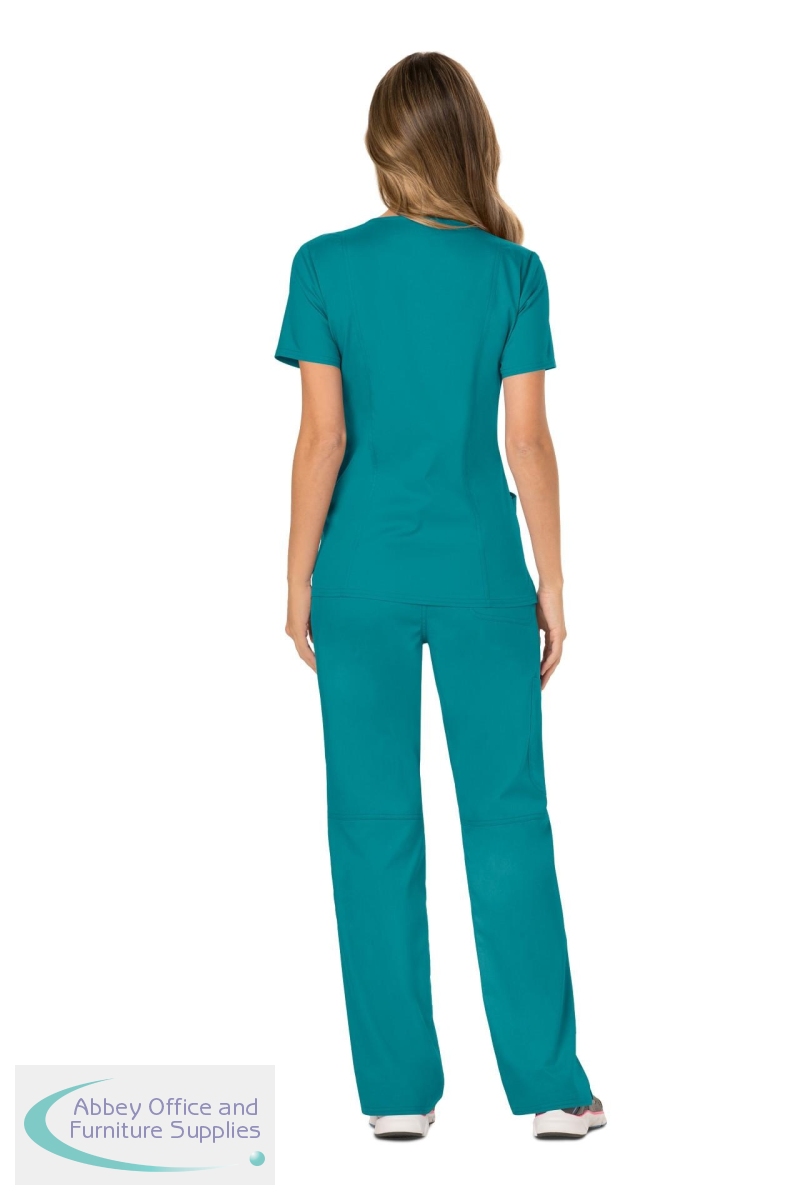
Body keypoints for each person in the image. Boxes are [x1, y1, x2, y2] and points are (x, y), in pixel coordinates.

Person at [275, 51, 605, 1142]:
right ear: (472, 143)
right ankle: (550, 1089)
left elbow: (322, 440)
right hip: (481, 580)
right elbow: (528, 444)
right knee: (507, 819)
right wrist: (553, 582)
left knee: (370, 825)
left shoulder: (324, 265)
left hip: (358, 580)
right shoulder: (514, 273)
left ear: (383, 146)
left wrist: (296, 577)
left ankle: (396, 1097)